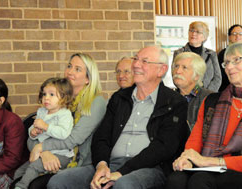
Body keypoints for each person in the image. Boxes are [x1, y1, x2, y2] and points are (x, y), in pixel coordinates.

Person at [47, 46, 189, 189]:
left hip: (150, 168)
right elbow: (102, 137)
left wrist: (122, 172)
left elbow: (164, 147)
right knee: (59, 182)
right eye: (136, 59)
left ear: (161, 70)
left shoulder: (174, 102)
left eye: (144, 61)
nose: (136, 64)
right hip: (111, 164)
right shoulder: (119, 98)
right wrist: (101, 165)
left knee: (124, 184)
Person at [166, 43, 242, 189]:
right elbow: (195, 141)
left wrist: (206, 161)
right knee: (176, 179)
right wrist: (187, 159)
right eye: (226, 62)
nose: (229, 67)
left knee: (200, 180)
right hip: (205, 167)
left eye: (236, 60)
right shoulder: (211, 101)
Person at [11, 53, 107, 189]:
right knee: (17, 177)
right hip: (51, 154)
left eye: (77, 69)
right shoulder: (56, 101)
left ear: (88, 79)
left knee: (35, 185)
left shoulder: (96, 102)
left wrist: (42, 147)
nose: (70, 71)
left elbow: (74, 139)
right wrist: (44, 152)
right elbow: (32, 138)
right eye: (69, 66)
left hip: (78, 163)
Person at [14, 78, 74, 189]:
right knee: (19, 171)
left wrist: (46, 127)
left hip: (61, 155)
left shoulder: (64, 114)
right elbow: (33, 127)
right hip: (41, 154)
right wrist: (33, 132)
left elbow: (64, 133)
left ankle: (21, 187)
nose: (46, 98)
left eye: (52, 94)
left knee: (34, 167)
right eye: (44, 94)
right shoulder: (41, 112)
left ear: (64, 98)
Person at [173, 21, 222, 92]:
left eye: (198, 32)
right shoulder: (179, 53)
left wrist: (207, 93)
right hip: (186, 95)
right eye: (191, 30)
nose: (193, 34)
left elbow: (217, 78)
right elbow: (176, 76)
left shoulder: (211, 54)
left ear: (204, 37)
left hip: (208, 95)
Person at [172, 52, 212, 129]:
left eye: (184, 67)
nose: (178, 71)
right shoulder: (168, 98)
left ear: (196, 76)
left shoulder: (209, 99)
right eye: (176, 66)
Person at [218, 24, 242, 91]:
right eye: (234, 34)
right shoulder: (223, 53)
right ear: (229, 37)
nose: (238, 36)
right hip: (227, 89)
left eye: (241, 33)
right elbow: (221, 75)